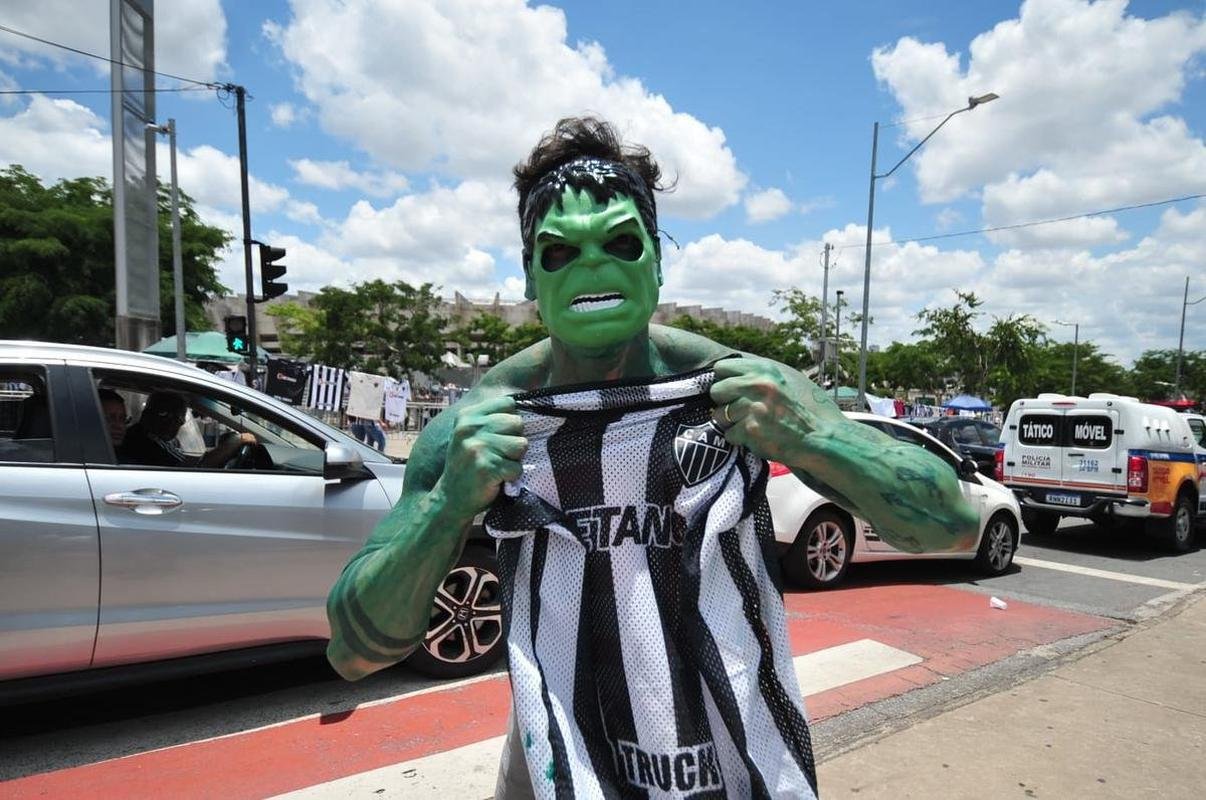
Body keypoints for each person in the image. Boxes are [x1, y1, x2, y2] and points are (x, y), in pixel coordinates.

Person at [325, 118, 978, 798]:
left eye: (619, 242)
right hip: (559, 763)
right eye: (560, 252)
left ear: (657, 260)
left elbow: (952, 524)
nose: (593, 267)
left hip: (728, 755)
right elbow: (354, 650)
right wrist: (446, 505)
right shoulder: (481, 425)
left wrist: (819, 441)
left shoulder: (739, 390)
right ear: (529, 274)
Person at [118, 390, 256, 468]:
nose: (177, 424)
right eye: (176, 418)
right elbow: (196, 468)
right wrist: (237, 440)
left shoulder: (151, 437)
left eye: (180, 420)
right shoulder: (144, 442)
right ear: (151, 414)